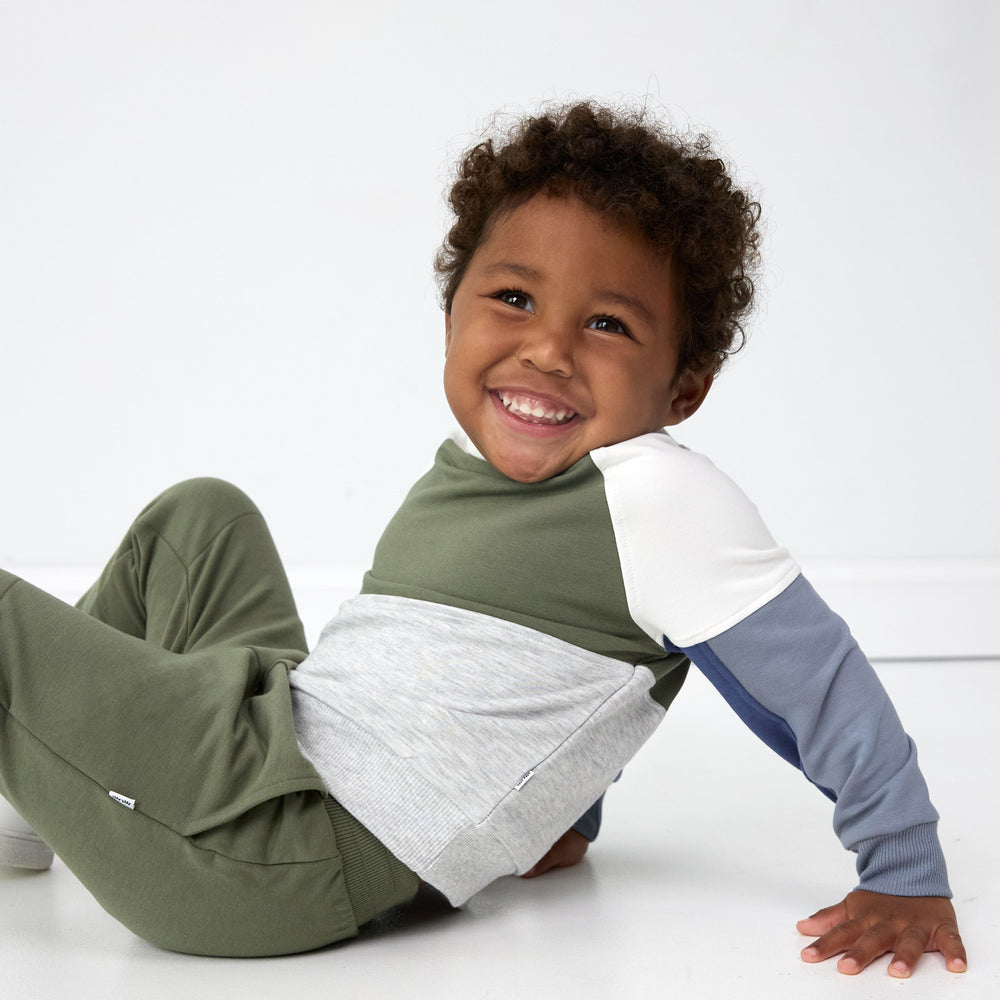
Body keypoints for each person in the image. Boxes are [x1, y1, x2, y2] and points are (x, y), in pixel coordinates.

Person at [0, 101, 966, 976]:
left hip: (267, 855)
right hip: (280, 745)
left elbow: (815, 685)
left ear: (684, 388)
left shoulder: (660, 494)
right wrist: (561, 816)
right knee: (201, 518)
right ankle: (24, 816)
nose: (548, 348)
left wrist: (906, 869)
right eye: (513, 299)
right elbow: (565, 668)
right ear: (453, 310)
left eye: (607, 324)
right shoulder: (498, 472)